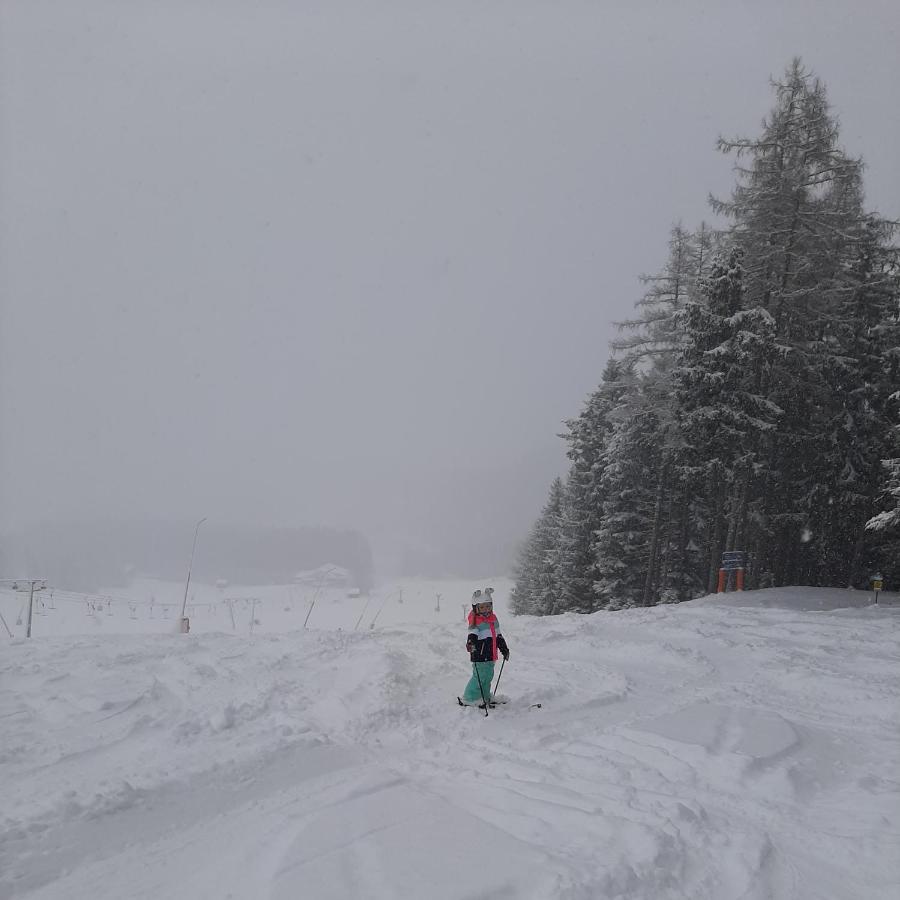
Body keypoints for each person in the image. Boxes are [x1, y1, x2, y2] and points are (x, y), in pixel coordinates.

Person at [460, 588, 509, 707]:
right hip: (479, 655)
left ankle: (484, 696)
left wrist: (504, 649)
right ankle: (469, 697)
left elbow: (498, 636)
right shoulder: (476, 621)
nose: (485, 609)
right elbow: (472, 635)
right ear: (476, 608)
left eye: (488, 606)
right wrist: (471, 644)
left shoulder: (493, 619)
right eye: (482, 607)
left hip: (491, 654)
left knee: (488, 677)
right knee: (479, 677)